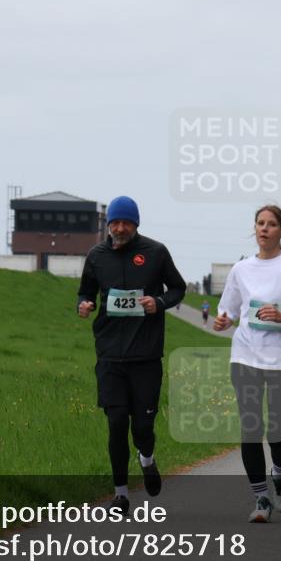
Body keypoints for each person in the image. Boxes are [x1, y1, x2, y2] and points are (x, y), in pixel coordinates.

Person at [77, 195, 186, 513]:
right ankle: (121, 493)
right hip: (110, 354)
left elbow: (178, 288)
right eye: (115, 223)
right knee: (114, 423)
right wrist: (84, 304)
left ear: (136, 224)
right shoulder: (96, 255)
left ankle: (147, 458)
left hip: (146, 356)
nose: (120, 228)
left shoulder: (155, 252)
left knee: (142, 427)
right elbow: (86, 290)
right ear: (107, 224)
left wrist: (159, 303)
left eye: (126, 222)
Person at [214, 205, 281, 523]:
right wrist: (224, 321)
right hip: (246, 356)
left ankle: (278, 474)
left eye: (271, 224)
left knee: (279, 433)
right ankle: (261, 499)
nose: (264, 229)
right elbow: (231, 310)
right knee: (250, 429)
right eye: (260, 223)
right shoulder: (241, 269)